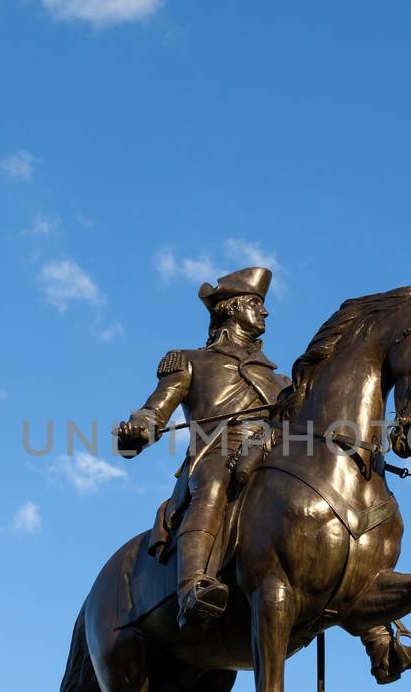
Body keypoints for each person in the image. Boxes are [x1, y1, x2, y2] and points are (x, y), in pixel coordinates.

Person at [116, 266, 288, 628]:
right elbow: (154, 411)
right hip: (216, 453)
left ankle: (379, 633)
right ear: (233, 307)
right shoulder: (189, 361)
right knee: (212, 487)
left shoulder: (279, 379)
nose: (266, 311)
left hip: (271, 452)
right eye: (256, 303)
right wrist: (139, 429)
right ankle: (191, 587)